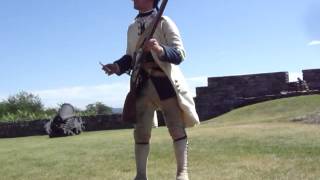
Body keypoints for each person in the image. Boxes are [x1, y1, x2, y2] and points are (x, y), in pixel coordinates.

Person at [101, 0, 200, 179]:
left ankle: (182, 172)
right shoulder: (132, 27)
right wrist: (116, 66)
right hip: (141, 84)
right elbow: (131, 57)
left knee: (176, 128)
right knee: (141, 132)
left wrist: (159, 49)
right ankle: (140, 175)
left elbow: (180, 54)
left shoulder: (164, 22)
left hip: (164, 83)